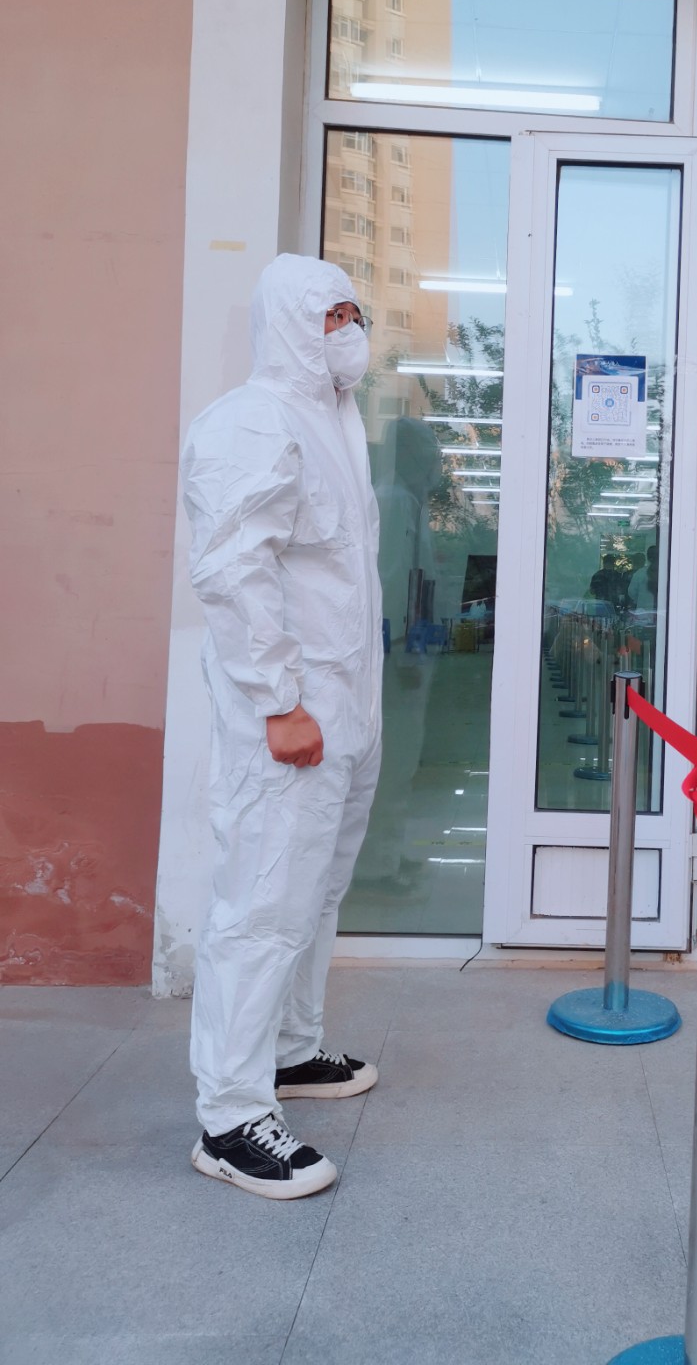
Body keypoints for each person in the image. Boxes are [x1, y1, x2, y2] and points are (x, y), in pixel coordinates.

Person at [181, 254, 384, 1199]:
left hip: (343, 716)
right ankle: (228, 1117)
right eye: (332, 314)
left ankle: (292, 1049)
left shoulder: (335, 424)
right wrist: (282, 702)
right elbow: (232, 572)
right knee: (261, 907)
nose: (350, 330)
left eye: (355, 312)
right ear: (292, 324)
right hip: (291, 719)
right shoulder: (252, 421)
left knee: (314, 894)